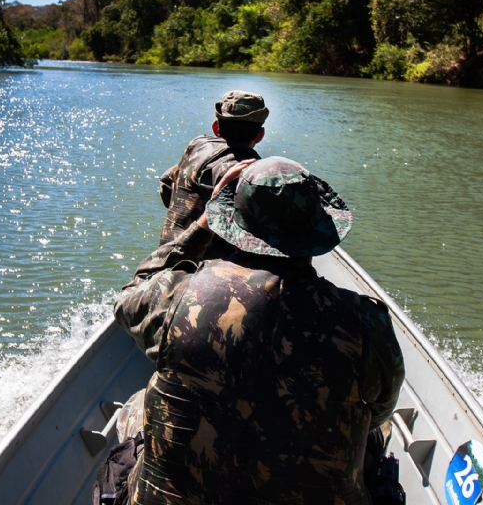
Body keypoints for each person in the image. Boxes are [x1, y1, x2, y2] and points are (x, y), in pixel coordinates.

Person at [115, 156, 405, 505]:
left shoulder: (178, 298)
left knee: (136, 406)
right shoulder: (367, 325)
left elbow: (131, 295)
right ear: (317, 230)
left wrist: (201, 225)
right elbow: (380, 412)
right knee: (377, 432)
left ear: (233, 224)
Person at [158, 90, 268, 259]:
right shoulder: (244, 171)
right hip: (205, 271)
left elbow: (166, 185)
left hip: (164, 256)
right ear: (260, 135)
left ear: (216, 128)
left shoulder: (198, 145)